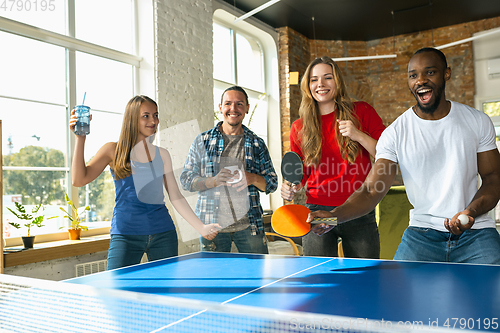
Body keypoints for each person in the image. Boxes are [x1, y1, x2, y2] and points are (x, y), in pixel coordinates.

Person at [309, 47, 500, 264]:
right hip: (422, 234)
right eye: (413, 75)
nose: (420, 80)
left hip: (476, 232)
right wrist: (335, 215)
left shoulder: (477, 121)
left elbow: (493, 178)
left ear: (446, 74)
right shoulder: (395, 133)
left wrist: (470, 211)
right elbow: (371, 190)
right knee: (396, 294)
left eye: (430, 72)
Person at [70, 95, 219, 270]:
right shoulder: (113, 150)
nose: (153, 121)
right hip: (125, 234)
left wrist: (201, 227)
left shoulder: (162, 154)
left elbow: (176, 196)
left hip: (163, 233)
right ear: (132, 119)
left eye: (155, 115)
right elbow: (78, 180)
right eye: (146, 116)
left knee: (165, 292)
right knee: (117, 290)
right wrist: (80, 139)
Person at [281, 56, 386, 258]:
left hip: (357, 210)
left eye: (327, 77)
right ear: (307, 85)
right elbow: (301, 175)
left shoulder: (362, 111)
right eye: (314, 79)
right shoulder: (299, 127)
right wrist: (291, 186)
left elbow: (385, 155)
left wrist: (358, 135)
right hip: (318, 213)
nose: (320, 84)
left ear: (337, 81)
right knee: (319, 278)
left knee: (365, 277)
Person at [180, 86, 278, 254]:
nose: (233, 109)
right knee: (215, 279)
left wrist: (252, 178)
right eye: (228, 104)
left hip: (250, 225)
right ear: (220, 108)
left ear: (247, 108)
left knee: (256, 277)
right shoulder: (202, 140)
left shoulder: (257, 143)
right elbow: (186, 180)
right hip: (212, 227)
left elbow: (272, 183)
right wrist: (212, 181)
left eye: (239, 104)